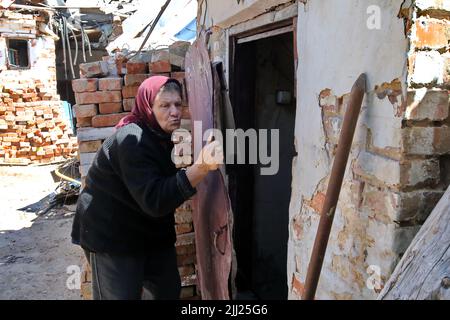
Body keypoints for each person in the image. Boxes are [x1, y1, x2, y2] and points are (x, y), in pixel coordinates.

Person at [71, 76, 223, 300]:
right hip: (112, 236)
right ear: (147, 107)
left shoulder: (159, 136)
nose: (174, 112)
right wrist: (200, 168)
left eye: (178, 104)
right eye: (164, 105)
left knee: (166, 290)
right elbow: (155, 200)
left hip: (148, 231)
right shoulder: (132, 140)